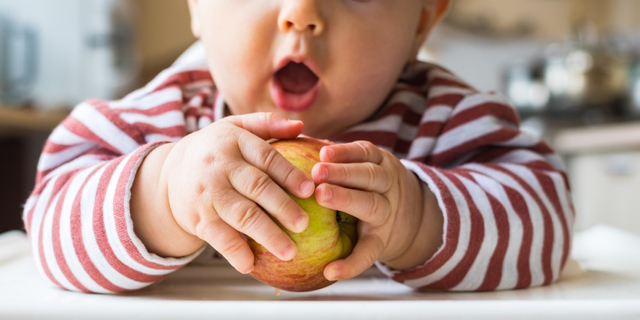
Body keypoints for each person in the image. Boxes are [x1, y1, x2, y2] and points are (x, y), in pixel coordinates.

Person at [23, 0, 573, 293]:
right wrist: (164, 191)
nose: (301, 11)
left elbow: (547, 219)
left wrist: (415, 218)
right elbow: (48, 221)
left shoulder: (448, 118)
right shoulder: (162, 119)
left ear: (422, 20)